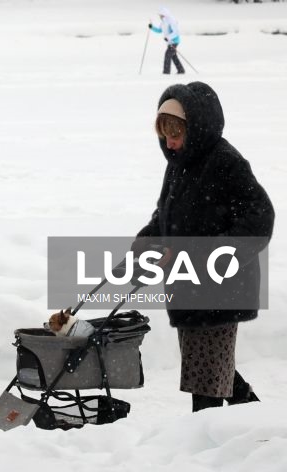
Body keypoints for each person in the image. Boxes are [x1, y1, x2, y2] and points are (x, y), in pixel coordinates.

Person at [132, 81, 274, 412]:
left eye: (176, 134)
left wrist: (212, 255)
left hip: (219, 289)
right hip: (189, 288)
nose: (170, 142)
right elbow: (165, 215)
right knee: (210, 367)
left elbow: (259, 217)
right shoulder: (180, 163)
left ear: (197, 128)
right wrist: (145, 243)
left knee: (206, 378)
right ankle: (256, 422)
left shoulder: (225, 162)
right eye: (164, 134)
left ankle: (204, 446)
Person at [148, 7, 186, 75]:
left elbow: (176, 32)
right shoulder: (163, 22)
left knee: (167, 55)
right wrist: (152, 27)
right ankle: (181, 70)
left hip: (174, 41)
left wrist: (168, 37)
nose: (159, 16)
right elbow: (159, 30)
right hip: (169, 42)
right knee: (173, 56)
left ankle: (166, 72)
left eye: (160, 15)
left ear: (164, 14)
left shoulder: (171, 21)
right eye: (159, 15)